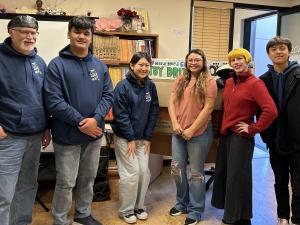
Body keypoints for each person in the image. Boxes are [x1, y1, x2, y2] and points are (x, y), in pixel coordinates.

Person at [44, 16, 113, 225]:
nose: (82, 37)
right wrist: (84, 123)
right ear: (69, 34)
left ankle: (83, 214)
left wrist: (97, 119)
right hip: (67, 136)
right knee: (66, 182)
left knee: (88, 178)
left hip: (94, 135)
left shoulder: (100, 66)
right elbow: (54, 102)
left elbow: (108, 95)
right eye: (77, 32)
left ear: (91, 37)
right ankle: (60, 220)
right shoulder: (56, 66)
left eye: (86, 33)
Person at [211, 48, 278, 225]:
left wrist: (254, 128)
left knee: (237, 177)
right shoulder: (230, 82)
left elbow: (271, 110)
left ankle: (237, 217)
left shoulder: (255, 84)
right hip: (226, 136)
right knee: (225, 174)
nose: (236, 62)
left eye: (240, 59)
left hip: (241, 137)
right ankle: (234, 213)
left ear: (246, 61)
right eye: (233, 60)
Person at [0, 15, 51, 225]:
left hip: (35, 135)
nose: (29, 36)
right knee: (4, 191)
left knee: (28, 185)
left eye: (33, 32)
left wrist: (47, 127)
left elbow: (45, 98)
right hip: (9, 137)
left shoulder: (39, 62)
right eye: (24, 31)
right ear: (11, 32)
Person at [168, 49, 217, 225]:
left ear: (203, 61)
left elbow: (208, 108)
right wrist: (174, 123)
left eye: (197, 60)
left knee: (196, 173)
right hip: (178, 132)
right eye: (190, 60)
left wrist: (192, 129)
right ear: (186, 62)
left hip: (199, 133)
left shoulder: (210, 81)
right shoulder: (181, 80)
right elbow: (172, 102)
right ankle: (182, 203)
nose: (193, 63)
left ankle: (195, 210)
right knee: (176, 168)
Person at [111, 52, 159, 224]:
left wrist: (147, 137)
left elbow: (154, 111)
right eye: (140, 65)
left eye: (147, 65)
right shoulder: (122, 86)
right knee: (131, 174)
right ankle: (126, 210)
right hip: (126, 139)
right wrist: (130, 138)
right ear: (132, 66)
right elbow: (121, 115)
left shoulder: (150, 86)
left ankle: (139, 206)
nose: (144, 68)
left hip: (142, 139)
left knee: (144, 173)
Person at [259, 36, 300, 225]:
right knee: (280, 182)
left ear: (289, 51)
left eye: (282, 48)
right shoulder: (263, 80)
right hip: (275, 140)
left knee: (299, 185)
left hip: (298, 141)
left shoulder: (299, 74)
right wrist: (264, 134)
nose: (278, 52)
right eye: (274, 49)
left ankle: (298, 218)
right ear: (268, 54)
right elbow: (260, 110)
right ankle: (282, 216)